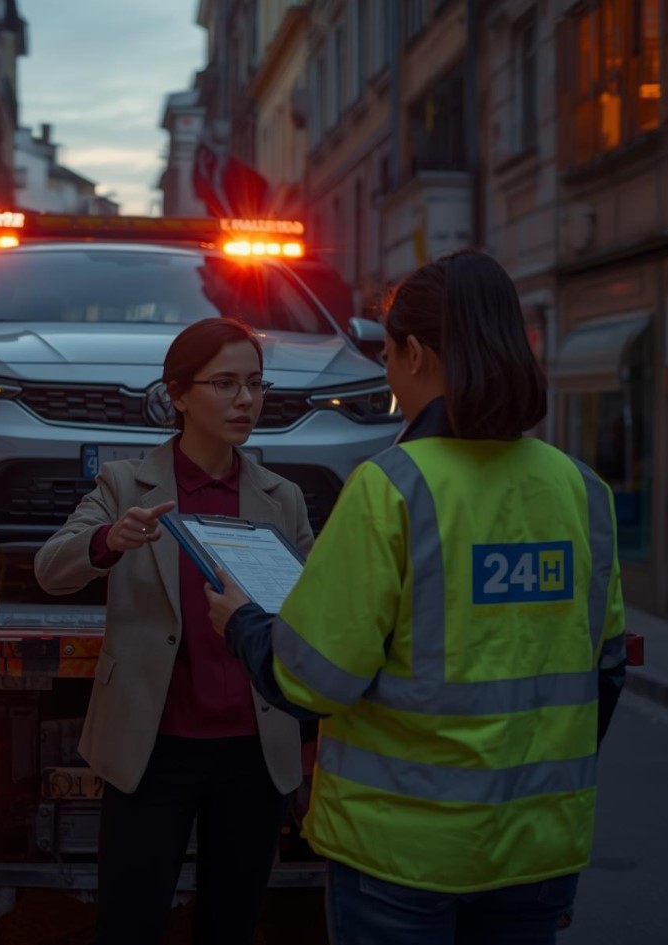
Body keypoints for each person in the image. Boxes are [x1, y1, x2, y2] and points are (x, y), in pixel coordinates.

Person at [206, 250, 627, 945]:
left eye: (387, 351)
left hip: (401, 855)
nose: (384, 369)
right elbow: (603, 676)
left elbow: (312, 678)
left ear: (415, 352)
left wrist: (244, 623)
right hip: (536, 846)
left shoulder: (392, 486)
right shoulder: (581, 490)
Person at [34, 317, 314, 945]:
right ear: (178, 393)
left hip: (254, 750)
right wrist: (109, 540)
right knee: (130, 924)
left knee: (231, 925)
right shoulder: (126, 483)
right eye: (225, 384)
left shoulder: (282, 498)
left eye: (255, 384)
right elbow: (50, 569)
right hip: (151, 747)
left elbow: (317, 608)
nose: (246, 400)